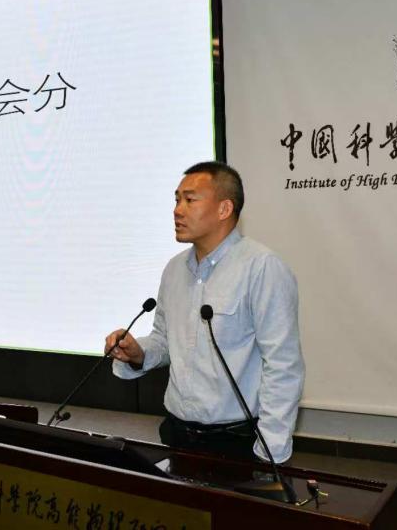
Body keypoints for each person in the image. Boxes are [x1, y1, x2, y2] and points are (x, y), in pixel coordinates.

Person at [104, 161, 304, 463]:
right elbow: (165, 341)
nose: (177, 210)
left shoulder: (262, 268)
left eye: (190, 200)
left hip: (237, 441)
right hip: (177, 433)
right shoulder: (175, 269)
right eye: (176, 200)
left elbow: (283, 365)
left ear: (224, 209)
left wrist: (269, 455)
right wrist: (138, 353)